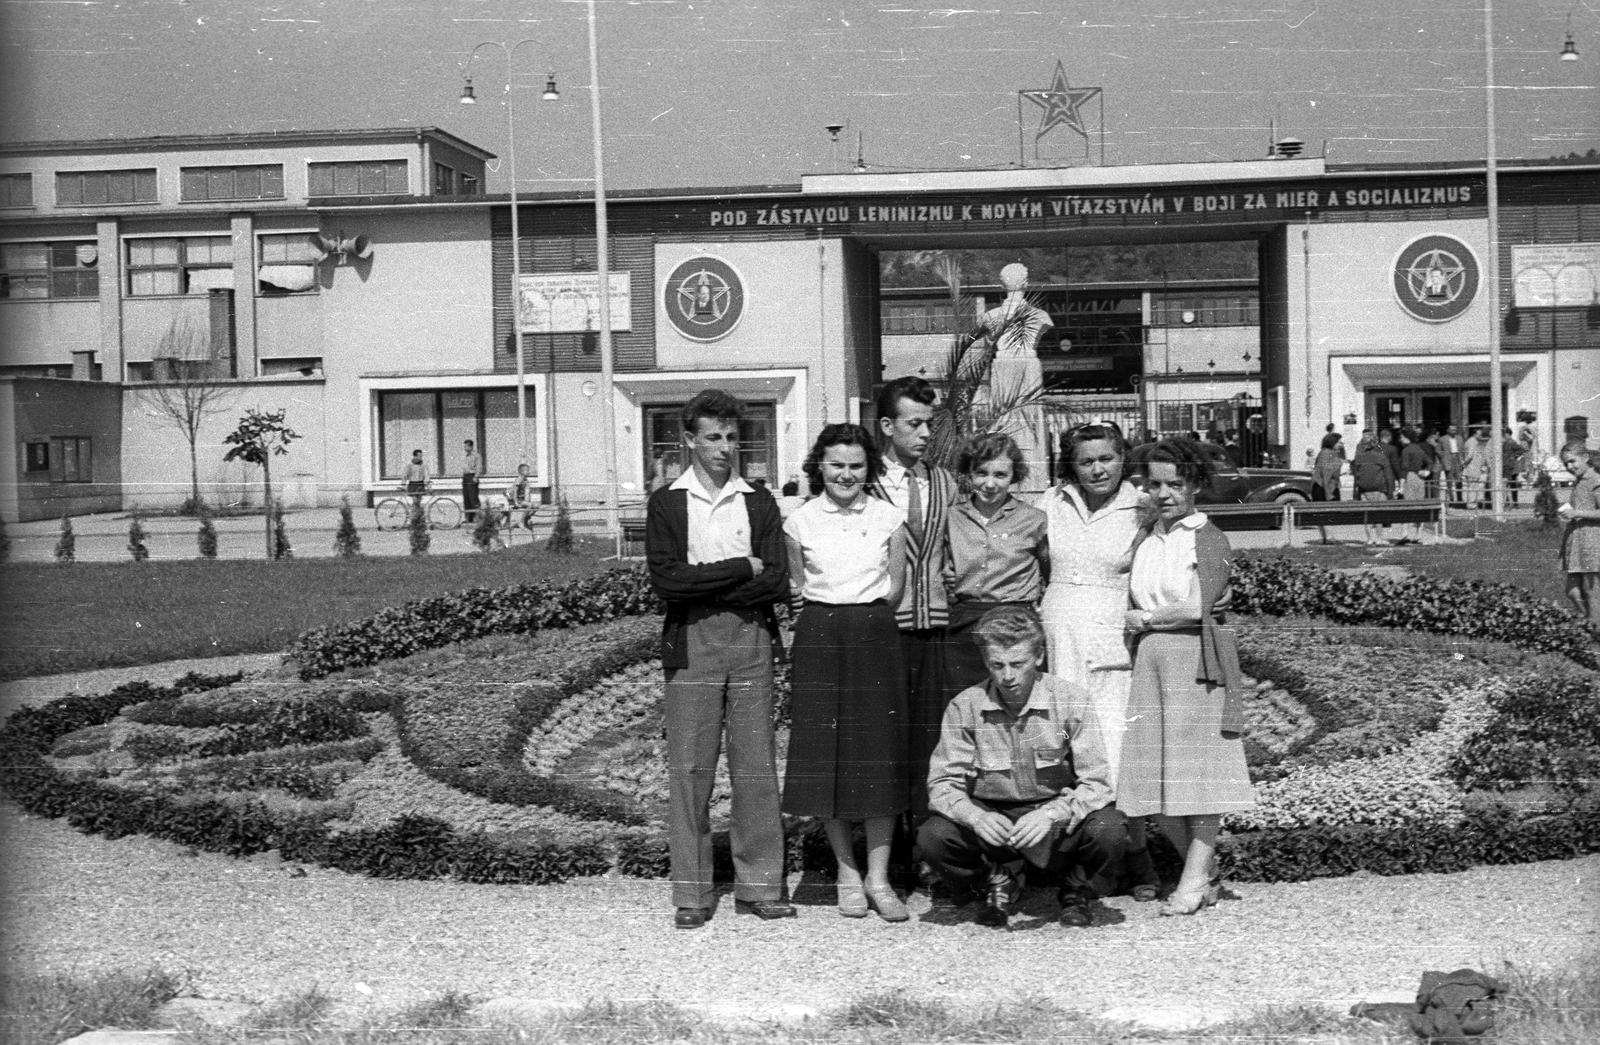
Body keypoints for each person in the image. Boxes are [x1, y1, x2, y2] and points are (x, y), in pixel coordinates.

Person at [645, 390, 793, 930]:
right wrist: (739, 569)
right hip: (691, 645)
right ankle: (693, 893)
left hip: (751, 642)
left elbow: (776, 580)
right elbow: (666, 582)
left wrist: (706, 582)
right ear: (689, 439)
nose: (724, 447)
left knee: (755, 765)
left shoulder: (757, 499)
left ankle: (760, 886)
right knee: (690, 769)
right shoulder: (667, 502)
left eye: (732, 437)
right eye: (712, 437)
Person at [919, 606, 1125, 929]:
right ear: (986, 662)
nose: (1008, 676)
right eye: (997, 665)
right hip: (993, 819)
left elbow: (1097, 784)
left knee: (1110, 829)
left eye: (1018, 663)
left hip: (1053, 820)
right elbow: (943, 783)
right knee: (934, 836)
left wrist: (1051, 814)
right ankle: (994, 878)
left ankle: (1076, 886)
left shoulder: (1071, 700)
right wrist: (975, 817)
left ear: (1039, 656)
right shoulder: (965, 706)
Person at [1120, 438, 1255, 917]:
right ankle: (1206, 868)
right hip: (1151, 663)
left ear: (1195, 484)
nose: (1164, 493)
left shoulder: (1209, 537)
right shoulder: (1148, 535)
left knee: (1200, 777)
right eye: (1155, 484)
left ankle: (1193, 880)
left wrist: (1147, 619)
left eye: (1175, 483)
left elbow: (1198, 606)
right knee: (1149, 780)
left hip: (1196, 661)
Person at [784, 423, 912, 922]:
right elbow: (798, 586)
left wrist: (865, 620)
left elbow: (896, 587)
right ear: (820, 466)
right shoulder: (799, 522)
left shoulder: (887, 517)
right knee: (827, 752)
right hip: (820, 634)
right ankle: (846, 873)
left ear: (869, 469)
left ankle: (879, 878)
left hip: (874, 633)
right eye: (836, 464)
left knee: (878, 750)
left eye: (856, 465)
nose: (846, 474)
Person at [1036, 421, 1160, 901]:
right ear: (1073, 465)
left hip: (1113, 639)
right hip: (1058, 636)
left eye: (1105, 458)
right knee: (1066, 750)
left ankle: (1136, 853)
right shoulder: (1052, 502)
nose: (1096, 469)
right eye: (1085, 461)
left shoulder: (1142, 506)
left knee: (1113, 749)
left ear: (1122, 457)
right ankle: (1085, 859)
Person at [870, 376, 960, 826]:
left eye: (929, 424)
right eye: (914, 424)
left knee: (931, 739)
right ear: (887, 426)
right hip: (883, 630)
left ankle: (927, 842)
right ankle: (891, 846)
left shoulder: (946, 482)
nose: (926, 435)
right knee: (885, 738)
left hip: (936, 629)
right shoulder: (862, 484)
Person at [942, 431, 1048, 702]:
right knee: (967, 705)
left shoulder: (1033, 519)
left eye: (1000, 475)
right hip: (966, 627)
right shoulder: (953, 517)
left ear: (1014, 476)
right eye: (981, 473)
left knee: (1017, 708)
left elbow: (1048, 573)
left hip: (1016, 627)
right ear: (969, 473)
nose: (989, 484)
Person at [960, 263, 1053, 490]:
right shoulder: (1039, 316)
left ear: (1002, 285)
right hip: (1008, 367)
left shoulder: (994, 317)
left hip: (1024, 366)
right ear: (1026, 284)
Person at [1558, 442, 1600, 624]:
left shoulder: (1595, 481)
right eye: (1566, 463)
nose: (1569, 467)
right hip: (1576, 541)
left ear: (1585, 458)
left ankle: (1595, 626)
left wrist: (1577, 513)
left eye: (1573, 461)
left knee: (1592, 590)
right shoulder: (1579, 481)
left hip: (1592, 541)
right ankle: (1591, 620)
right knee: (1572, 590)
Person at [1351, 434, 1398, 546]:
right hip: (1379, 490)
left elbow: (1356, 477)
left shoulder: (1359, 458)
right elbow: (1388, 476)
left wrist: (1355, 494)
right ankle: (1379, 538)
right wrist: (1390, 492)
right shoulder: (1381, 457)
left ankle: (1369, 539)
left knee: (1366, 516)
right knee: (1378, 515)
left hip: (1363, 490)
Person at [1397, 428, 1431, 544]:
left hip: (1409, 477)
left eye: (1401, 437)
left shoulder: (1406, 450)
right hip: (1420, 479)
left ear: (1406, 437)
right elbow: (1430, 462)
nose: (1400, 439)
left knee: (1407, 506)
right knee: (1419, 506)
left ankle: (1405, 534)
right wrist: (1427, 471)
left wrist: (1400, 486)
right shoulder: (1419, 449)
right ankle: (1418, 535)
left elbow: (1404, 468)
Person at [1462, 425, 1491, 509]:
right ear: (1474, 434)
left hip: (1473, 467)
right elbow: (1470, 455)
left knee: (1472, 486)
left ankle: (1470, 503)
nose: (1481, 436)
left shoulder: (1472, 442)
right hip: (1472, 468)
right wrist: (1464, 464)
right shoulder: (1472, 442)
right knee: (1472, 487)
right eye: (1479, 434)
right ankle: (1471, 504)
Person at [1310, 433, 1344, 502]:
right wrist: (1329, 495)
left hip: (1329, 487)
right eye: (1339, 442)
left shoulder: (1329, 454)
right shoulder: (1327, 454)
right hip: (1325, 489)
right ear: (1332, 442)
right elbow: (1326, 476)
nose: (1341, 445)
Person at [1437, 424, 1463, 506]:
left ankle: (1460, 499)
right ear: (1447, 430)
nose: (1453, 432)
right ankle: (1451, 499)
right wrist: (1444, 458)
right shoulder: (1442, 439)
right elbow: (1438, 450)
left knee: (1459, 480)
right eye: (1451, 430)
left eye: (1455, 430)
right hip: (1448, 459)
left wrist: (1462, 461)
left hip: (1457, 459)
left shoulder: (1459, 438)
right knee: (1449, 481)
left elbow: (1462, 450)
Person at [505, 462, 536, 530]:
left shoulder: (526, 480)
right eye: (527, 470)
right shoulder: (519, 479)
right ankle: (521, 521)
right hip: (519, 500)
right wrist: (515, 502)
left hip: (523, 500)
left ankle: (526, 519)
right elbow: (515, 491)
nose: (528, 472)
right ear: (522, 472)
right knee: (530, 505)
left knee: (535, 506)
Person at [460, 439, 482, 523]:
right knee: (466, 499)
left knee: (473, 498)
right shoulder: (466, 456)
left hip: (472, 477)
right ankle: (469, 518)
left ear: (471, 446)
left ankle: (478, 518)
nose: (465, 448)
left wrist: (476, 477)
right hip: (465, 477)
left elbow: (479, 467)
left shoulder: (476, 456)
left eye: (466, 446)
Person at [1379, 429, 1403, 495]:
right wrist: (1400, 478)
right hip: (1389, 478)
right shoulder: (1392, 449)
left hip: (1377, 478)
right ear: (1388, 437)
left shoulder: (1374, 448)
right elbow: (1396, 466)